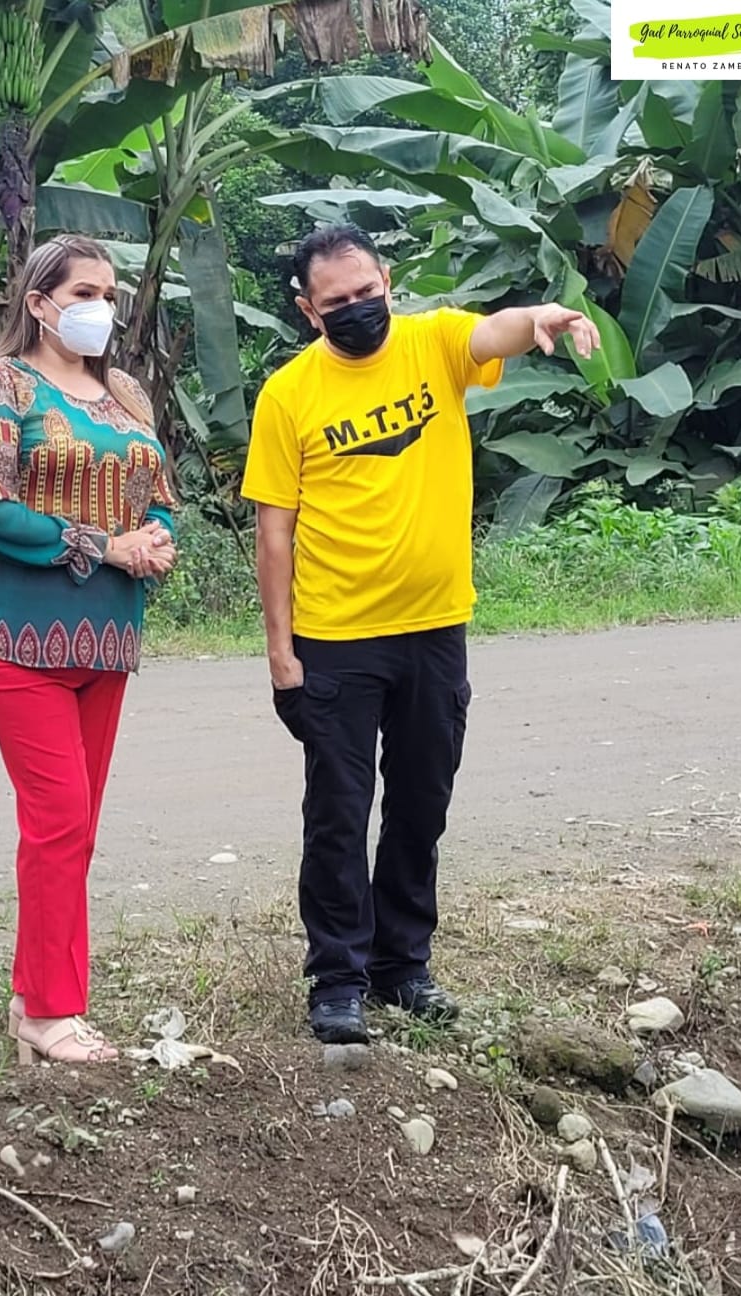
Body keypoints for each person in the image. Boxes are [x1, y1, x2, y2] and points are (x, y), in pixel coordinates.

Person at [241, 224, 599, 1045]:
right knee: (338, 813)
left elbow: (492, 332)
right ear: (308, 311)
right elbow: (274, 532)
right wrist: (280, 651)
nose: (357, 308)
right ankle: (338, 978)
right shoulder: (289, 395)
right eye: (337, 302)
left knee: (421, 802)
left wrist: (540, 316)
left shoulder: (432, 343)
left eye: (367, 292)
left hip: (436, 629)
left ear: (388, 281)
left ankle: (402, 964)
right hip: (336, 636)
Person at [0, 233, 177, 1065]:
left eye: (109, 294)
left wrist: (156, 536)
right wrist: (107, 547)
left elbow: (158, 493)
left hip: (105, 642)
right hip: (14, 637)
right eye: (83, 293)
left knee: (74, 828)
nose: (100, 308)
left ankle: (36, 993)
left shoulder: (127, 393)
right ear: (40, 303)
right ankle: (49, 1012)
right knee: (59, 818)